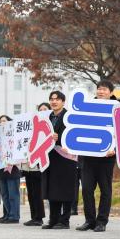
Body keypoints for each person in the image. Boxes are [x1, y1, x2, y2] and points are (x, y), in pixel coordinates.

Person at [76, 80, 117, 232]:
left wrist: (116, 149)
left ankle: (102, 221)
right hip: (88, 155)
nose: (101, 92)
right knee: (86, 189)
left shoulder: (117, 109)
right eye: (99, 89)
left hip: (107, 156)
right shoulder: (88, 106)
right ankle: (89, 220)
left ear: (111, 92)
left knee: (105, 190)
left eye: (105, 89)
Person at [42, 91, 78, 229]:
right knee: (52, 189)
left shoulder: (69, 116)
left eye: (57, 99)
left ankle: (64, 221)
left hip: (66, 158)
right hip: (50, 157)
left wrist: (61, 138)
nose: (54, 102)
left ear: (63, 101)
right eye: (51, 99)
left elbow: (74, 134)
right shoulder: (47, 117)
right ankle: (53, 219)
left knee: (65, 189)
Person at [22, 102, 50, 226]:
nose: (42, 111)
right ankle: (34, 216)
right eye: (40, 109)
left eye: (45, 109)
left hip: (41, 162)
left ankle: (39, 217)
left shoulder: (49, 124)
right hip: (29, 163)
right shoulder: (32, 124)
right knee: (31, 191)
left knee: (38, 192)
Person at [0, 115, 21, 224]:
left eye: (4, 121)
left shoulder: (15, 136)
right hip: (1, 168)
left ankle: (14, 216)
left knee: (13, 194)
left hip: (13, 168)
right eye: (0, 121)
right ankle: (7, 213)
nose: (2, 123)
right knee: (5, 194)